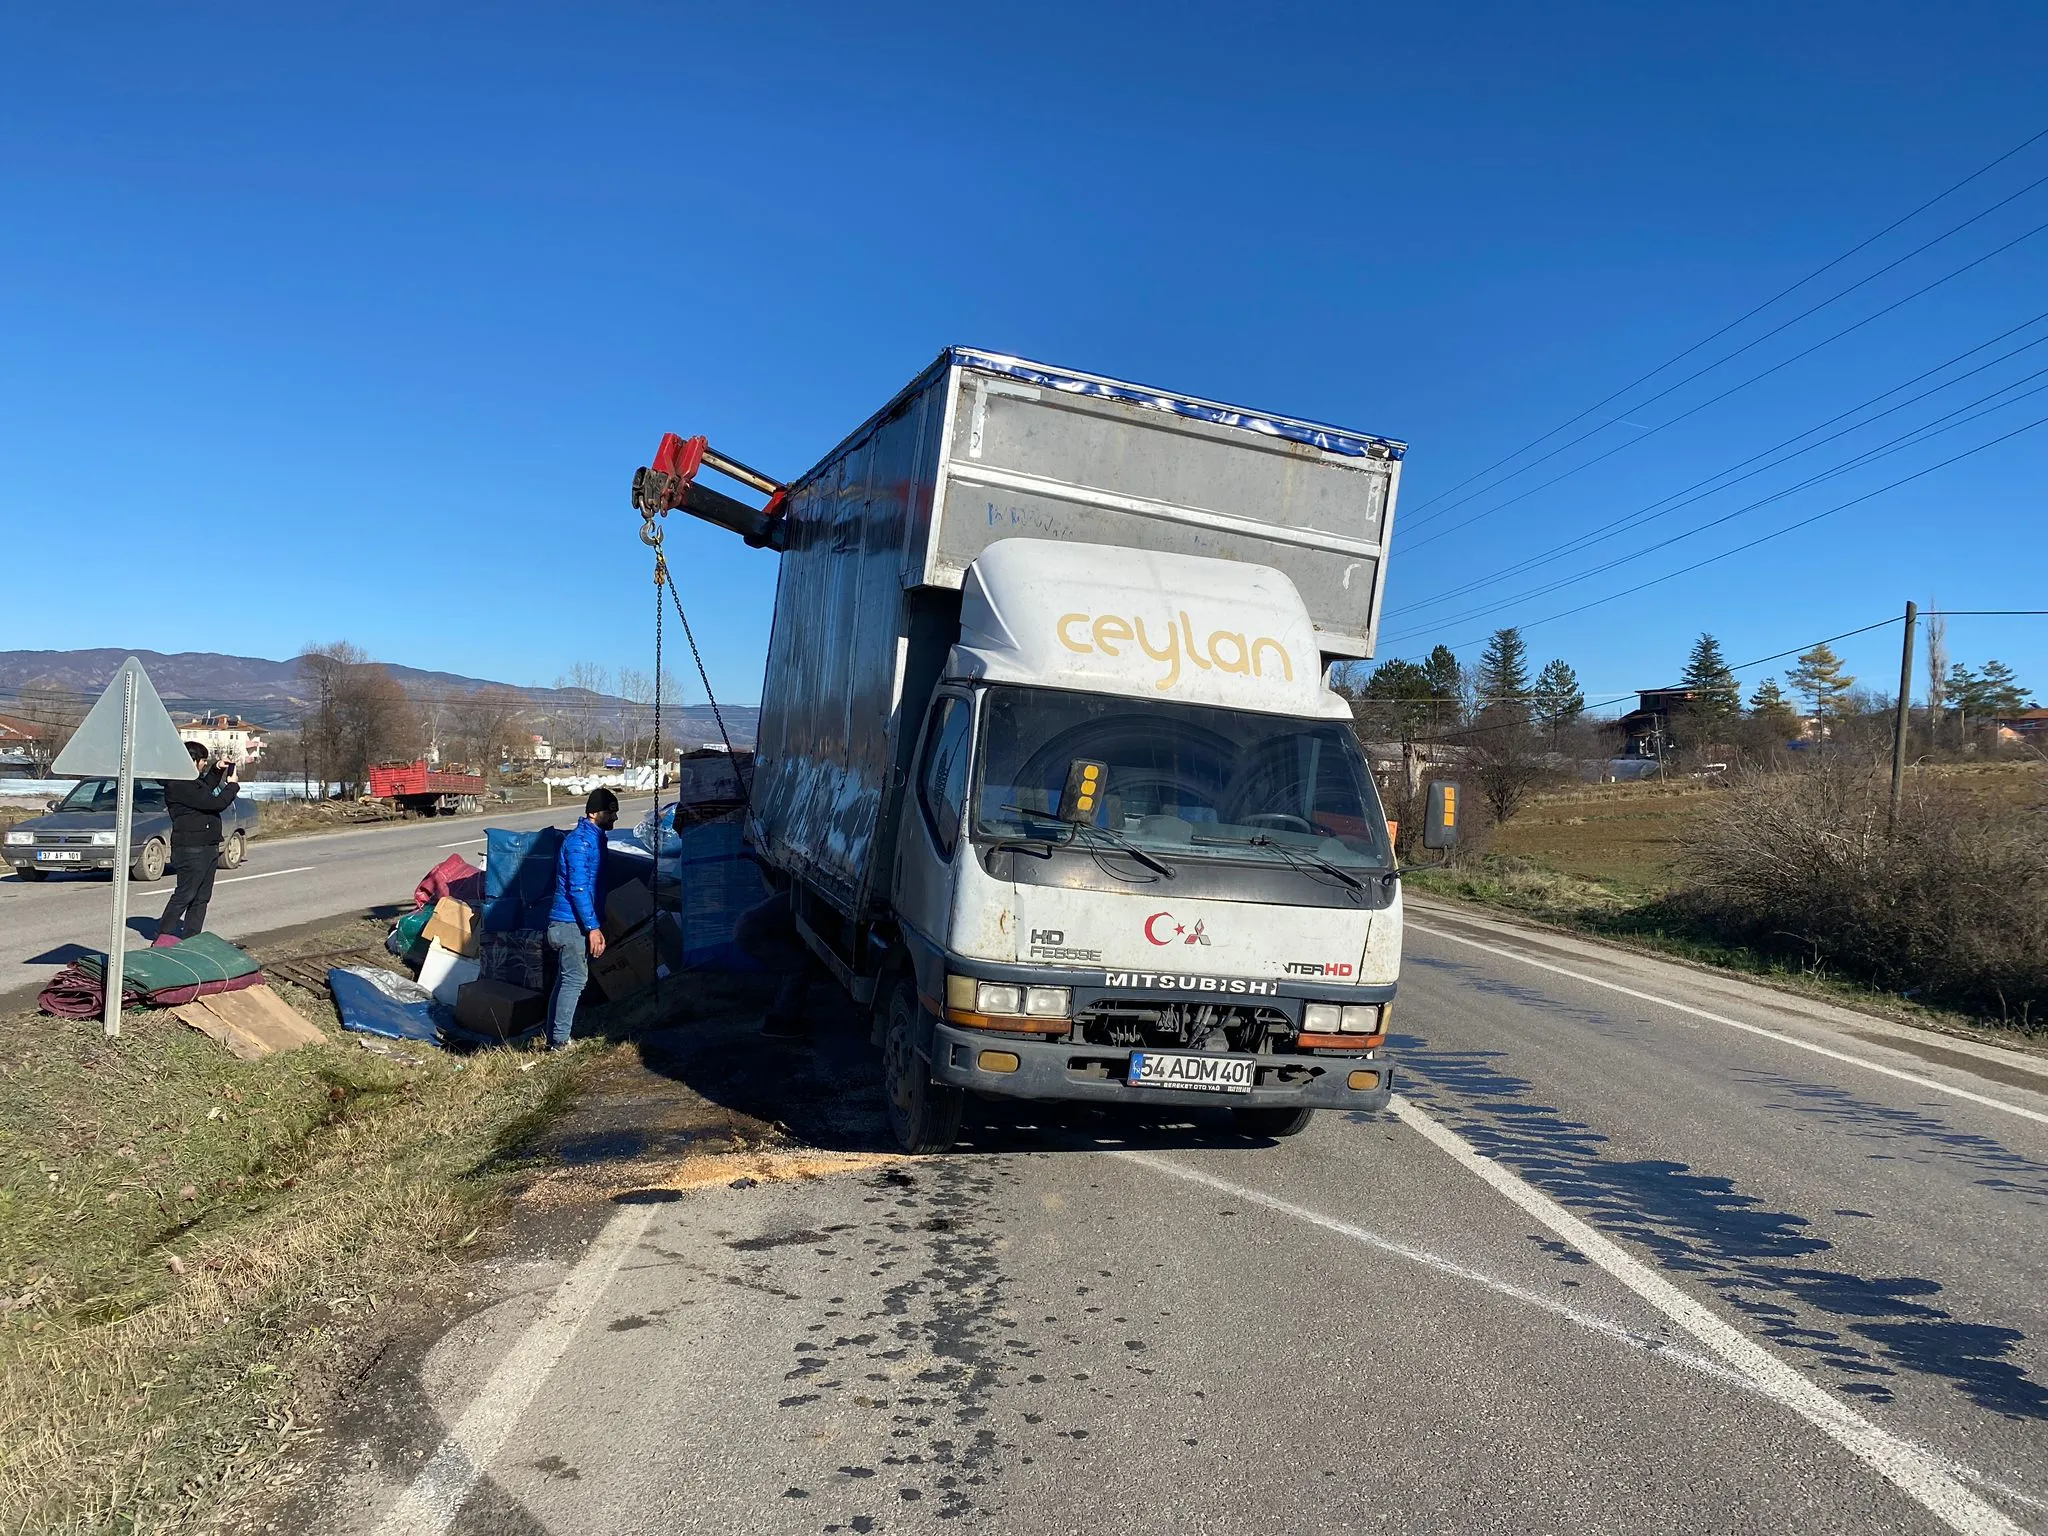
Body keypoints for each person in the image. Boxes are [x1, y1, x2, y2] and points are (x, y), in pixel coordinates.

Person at [544, 787, 619, 1050]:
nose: (614, 818)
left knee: (566, 979)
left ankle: (553, 1036)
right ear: (593, 812)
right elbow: (578, 888)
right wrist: (592, 927)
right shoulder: (579, 843)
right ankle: (560, 1043)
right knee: (575, 979)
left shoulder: (595, 839)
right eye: (610, 812)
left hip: (572, 922)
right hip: (570, 923)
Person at [156, 742, 239, 945]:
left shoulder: (190, 782)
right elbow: (214, 802)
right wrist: (232, 786)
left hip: (207, 845)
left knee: (201, 897)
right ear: (191, 761)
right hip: (192, 848)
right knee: (186, 894)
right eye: (203, 762)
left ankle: (192, 938)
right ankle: (163, 937)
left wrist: (216, 770)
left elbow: (204, 789)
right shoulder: (178, 784)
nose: (203, 765)